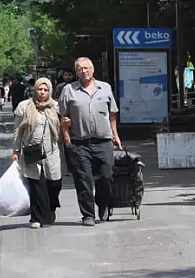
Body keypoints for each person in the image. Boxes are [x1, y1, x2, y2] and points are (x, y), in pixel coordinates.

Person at [59, 57, 123, 226]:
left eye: (87, 68)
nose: (84, 71)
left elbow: (112, 114)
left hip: (103, 141)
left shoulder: (105, 88)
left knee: (106, 176)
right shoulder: (69, 90)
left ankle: (102, 203)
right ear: (76, 72)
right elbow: (63, 118)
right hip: (79, 143)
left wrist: (115, 135)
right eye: (80, 68)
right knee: (83, 180)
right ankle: (87, 214)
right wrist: (67, 142)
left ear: (93, 70)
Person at [11, 77, 63, 229]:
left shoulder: (56, 106)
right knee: (35, 185)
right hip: (32, 150)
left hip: (51, 150)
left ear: (50, 91)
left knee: (55, 183)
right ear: (35, 90)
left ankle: (51, 207)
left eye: (45, 90)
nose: (42, 92)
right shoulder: (25, 106)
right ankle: (36, 217)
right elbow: (17, 130)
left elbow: (63, 126)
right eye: (40, 89)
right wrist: (16, 150)